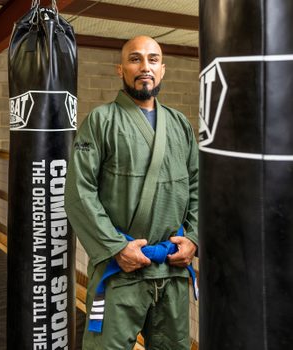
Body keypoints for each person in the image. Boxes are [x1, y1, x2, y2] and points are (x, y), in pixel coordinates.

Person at [65, 35, 198, 350]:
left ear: (162, 69)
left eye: (153, 59)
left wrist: (193, 238)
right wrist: (115, 248)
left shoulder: (180, 125)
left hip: (172, 270)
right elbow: (78, 193)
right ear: (120, 69)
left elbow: (197, 186)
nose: (145, 67)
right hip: (120, 271)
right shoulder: (101, 121)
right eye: (135, 59)